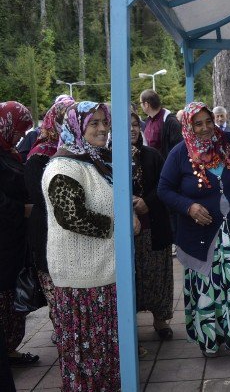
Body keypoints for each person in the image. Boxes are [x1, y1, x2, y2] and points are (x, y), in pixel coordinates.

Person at [158, 102, 230, 359]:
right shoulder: (180, 154)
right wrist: (188, 207)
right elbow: (164, 190)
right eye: (197, 124)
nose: (204, 128)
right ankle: (210, 342)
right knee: (208, 289)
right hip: (204, 236)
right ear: (188, 126)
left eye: (208, 121)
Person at [42, 101, 141, 390]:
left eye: (104, 122)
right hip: (80, 278)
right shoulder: (63, 167)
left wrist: (129, 212)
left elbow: (114, 200)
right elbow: (72, 217)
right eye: (93, 123)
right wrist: (120, 225)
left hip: (105, 270)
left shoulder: (96, 160)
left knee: (106, 348)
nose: (101, 128)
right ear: (76, 127)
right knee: (86, 352)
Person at [24, 97, 75, 345]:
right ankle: (64, 333)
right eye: (64, 119)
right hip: (47, 233)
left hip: (70, 234)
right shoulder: (39, 156)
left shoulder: (79, 154)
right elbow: (44, 201)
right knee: (55, 288)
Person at [0, 101, 39, 367]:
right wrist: (21, 209)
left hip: (15, 240)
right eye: (19, 129)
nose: (21, 136)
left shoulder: (8, 152)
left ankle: (10, 350)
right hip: (3, 242)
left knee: (13, 296)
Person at [130, 111, 175, 341]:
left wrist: (147, 201)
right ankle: (130, 325)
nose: (132, 129)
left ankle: (160, 320)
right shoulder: (108, 157)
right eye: (127, 125)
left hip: (154, 227)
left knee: (158, 274)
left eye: (136, 124)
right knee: (132, 277)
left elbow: (165, 184)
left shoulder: (152, 155)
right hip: (128, 233)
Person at [140, 89, 183, 160]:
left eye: (141, 103)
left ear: (146, 104)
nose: (140, 106)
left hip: (165, 167)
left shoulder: (170, 121)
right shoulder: (148, 121)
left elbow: (179, 147)